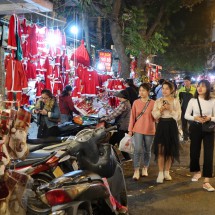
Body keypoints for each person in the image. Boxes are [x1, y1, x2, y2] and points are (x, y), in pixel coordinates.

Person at [185, 79, 215, 192]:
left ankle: (206, 181)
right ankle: (197, 171)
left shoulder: (212, 101)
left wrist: (209, 118)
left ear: (208, 88)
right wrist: (195, 117)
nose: (200, 88)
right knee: (194, 151)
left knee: (209, 154)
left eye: (203, 86)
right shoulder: (193, 100)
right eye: (198, 86)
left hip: (208, 128)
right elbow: (186, 115)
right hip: (196, 127)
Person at [152, 81, 181, 183]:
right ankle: (160, 173)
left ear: (171, 90)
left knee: (170, 151)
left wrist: (170, 109)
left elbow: (178, 117)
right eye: (163, 88)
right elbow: (154, 116)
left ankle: (167, 172)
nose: (164, 91)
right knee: (161, 150)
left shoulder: (175, 101)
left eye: (167, 89)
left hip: (172, 126)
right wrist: (160, 110)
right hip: (161, 125)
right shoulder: (158, 101)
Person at [128, 83, 155, 180]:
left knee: (147, 150)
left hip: (150, 129)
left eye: (143, 90)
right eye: (140, 90)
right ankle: (136, 170)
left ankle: (145, 168)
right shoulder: (135, 102)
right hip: (138, 129)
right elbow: (132, 117)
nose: (141, 92)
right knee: (137, 149)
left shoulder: (153, 103)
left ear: (148, 91)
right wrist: (130, 130)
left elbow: (156, 118)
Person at [101, 89, 131, 161]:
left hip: (122, 126)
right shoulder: (126, 103)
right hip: (124, 125)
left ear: (122, 97)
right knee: (116, 141)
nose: (118, 98)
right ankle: (125, 157)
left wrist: (105, 118)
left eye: (119, 96)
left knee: (117, 141)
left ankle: (125, 157)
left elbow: (114, 114)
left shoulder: (123, 104)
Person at [177, 76, 196, 141]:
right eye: (184, 81)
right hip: (183, 109)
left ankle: (191, 136)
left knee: (192, 124)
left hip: (192, 110)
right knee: (184, 124)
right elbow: (178, 100)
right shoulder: (181, 90)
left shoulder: (194, 90)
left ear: (190, 81)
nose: (185, 82)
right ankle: (185, 137)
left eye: (187, 81)